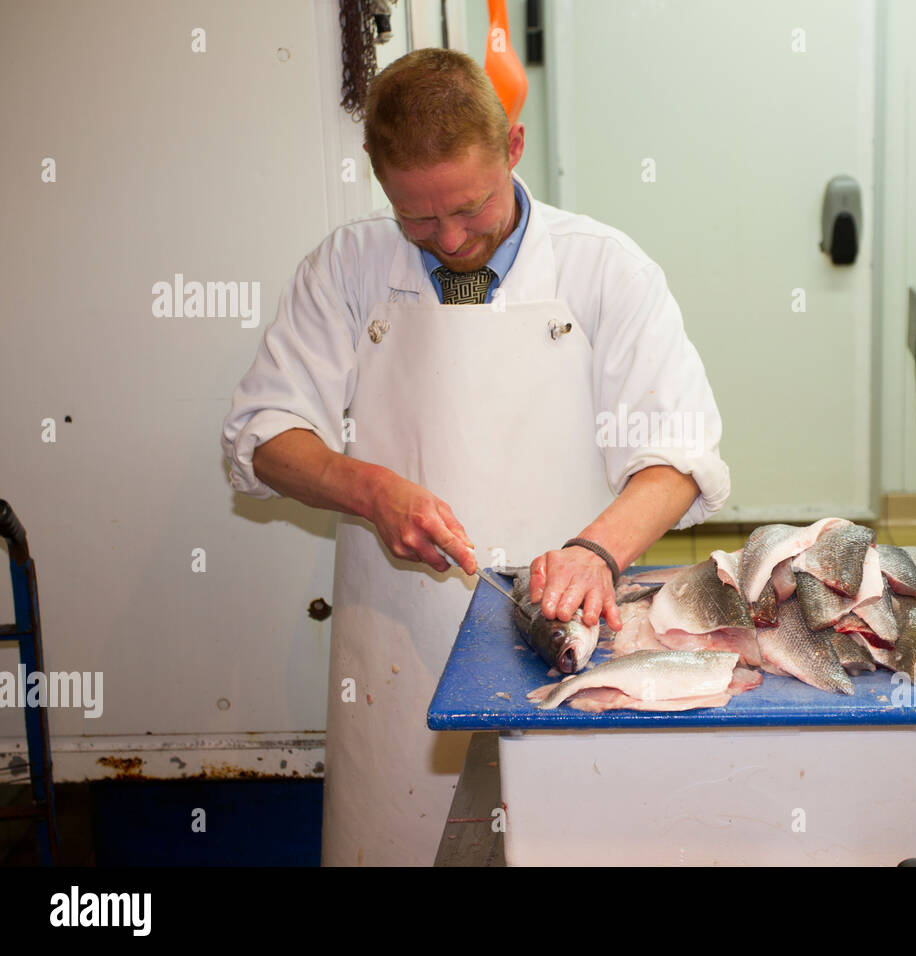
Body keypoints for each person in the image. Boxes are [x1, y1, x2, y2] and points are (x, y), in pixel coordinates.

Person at [220, 47, 729, 866]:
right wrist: (370, 488)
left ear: (514, 148)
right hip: (396, 642)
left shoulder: (606, 270)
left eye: (470, 206)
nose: (451, 238)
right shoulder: (345, 270)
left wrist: (596, 553)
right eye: (418, 219)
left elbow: (678, 459)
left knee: (563, 841)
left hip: (571, 635)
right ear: (379, 180)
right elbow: (263, 435)